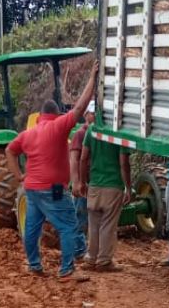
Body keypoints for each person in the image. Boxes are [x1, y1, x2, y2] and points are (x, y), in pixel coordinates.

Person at [5, 61, 99, 280]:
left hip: (32, 189)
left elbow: (10, 151)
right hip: (54, 189)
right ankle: (66, 270)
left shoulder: (27, 134)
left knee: (32, 228)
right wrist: (93, 80)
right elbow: (79, 108)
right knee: (67, 226)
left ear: (39, 116)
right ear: (56, 114)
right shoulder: (58, 127)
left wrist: (19, 175)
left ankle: (34, 265)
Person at [80, 127, 131, 272]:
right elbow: (124, 164)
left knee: (94, 224)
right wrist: (128, 186)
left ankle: (90, 259)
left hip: (95, 185)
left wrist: (83, 182)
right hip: (113, 185)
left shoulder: (92, 130)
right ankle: (104, 261)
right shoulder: (121, 132)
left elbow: (83, 158)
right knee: (108, 225)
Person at [70, 102, 96, 254]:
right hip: (83, 183)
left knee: (92, 217)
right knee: (80, 216)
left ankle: (90, 249)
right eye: (92, 113)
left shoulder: (99, 134)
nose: (95, 116)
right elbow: (74, 159)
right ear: (86, 115)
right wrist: (77, 182)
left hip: (95, 183)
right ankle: (79, 249)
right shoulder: (80, 134)